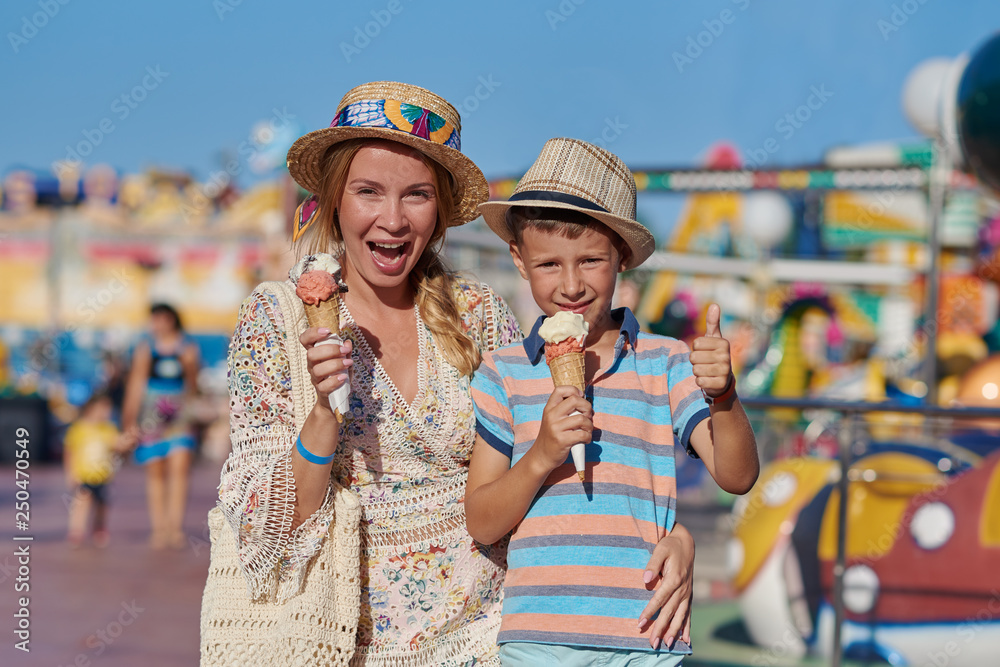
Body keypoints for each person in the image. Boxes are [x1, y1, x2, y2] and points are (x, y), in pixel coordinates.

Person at [200, 82, 697, 666]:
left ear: (438, 214)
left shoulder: (479, 312)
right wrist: (321, 415)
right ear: (335, 199)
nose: (392, 219)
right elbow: (270, 533)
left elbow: (569, 457)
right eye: (368, 192)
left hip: (488, 640)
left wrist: (674, 534)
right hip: (337, 642)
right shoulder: (275, 318)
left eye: (416, 195)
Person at [466, 138, 760, 665]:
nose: (572, 284)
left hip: (647, 635)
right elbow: (482, 521)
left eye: (592, 261)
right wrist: (540, 456)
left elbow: (736, 476)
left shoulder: (665, 362)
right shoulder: (502, 373)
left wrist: (724, 395)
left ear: (621, 257)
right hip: (539, 639)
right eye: (549, 264)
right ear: (519, 259)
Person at [121, 303, 200, 549]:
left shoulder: (188, 349)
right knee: (155, 471)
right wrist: (129, 420)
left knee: (179, 469)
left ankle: (174, 527)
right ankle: (159, 528)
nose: (157, 325)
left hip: (179, 416)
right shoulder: (146, 349)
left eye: (162, 319)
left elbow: (194, 386)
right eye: (154, 320)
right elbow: (135, 385)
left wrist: (189, 366)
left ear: (172, 320)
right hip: (151, 417)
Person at [64, 392, 125, 548]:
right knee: (81, 502)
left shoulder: (109, 429)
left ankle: (99, 528)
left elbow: (118, 444)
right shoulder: (79, 428)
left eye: (108, 410)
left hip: (103, 476)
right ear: (91, 408)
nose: (106, 413)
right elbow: (70, 451)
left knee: (102, 505)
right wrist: (71, 473)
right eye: (102, 409)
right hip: (84, 474)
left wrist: (127, 442)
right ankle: (76, 530)